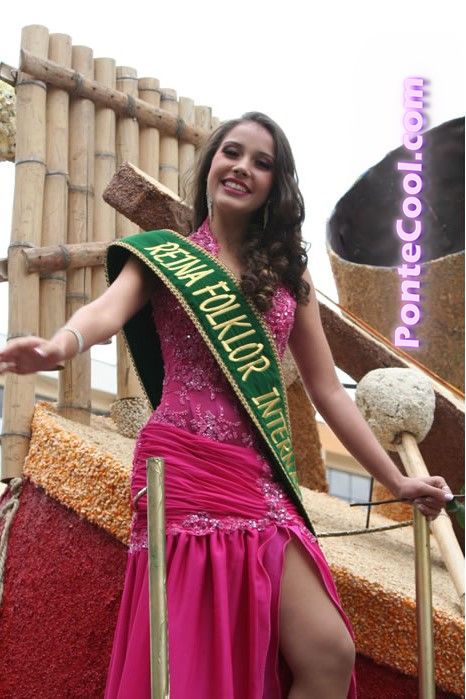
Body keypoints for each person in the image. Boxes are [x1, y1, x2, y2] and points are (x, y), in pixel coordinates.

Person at [0, 111, 453, 699]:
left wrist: (396, 480)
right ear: (212, 163)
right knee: (195, 657)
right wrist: (59, 346)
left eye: (262, 163)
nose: (242, 168)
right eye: (232, 153)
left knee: (328, 651)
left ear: (275, 186)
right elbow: (105, 312)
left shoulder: (289, 278)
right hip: (183, 469)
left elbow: (327, 391)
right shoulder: (164, 257)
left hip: (259, 480)